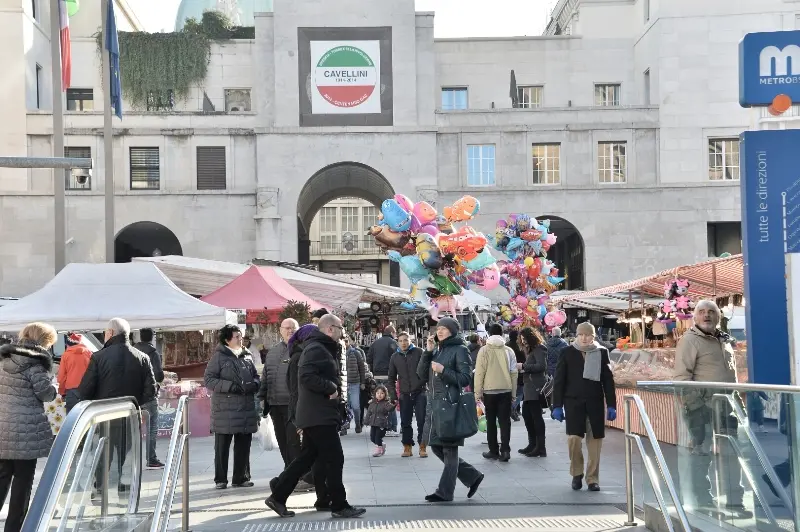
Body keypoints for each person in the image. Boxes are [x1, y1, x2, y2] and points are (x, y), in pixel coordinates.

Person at [266, 315, 366, 519]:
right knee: (335, 458)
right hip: (317, 414)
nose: (343, 332)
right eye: (340, 328)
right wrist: (331, 388)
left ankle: (278, 495)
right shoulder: (316, 349)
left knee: (306, 459)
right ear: (330, 329)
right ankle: (339, 505)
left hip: (318, 413)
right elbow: (305, 377)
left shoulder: (322, 347)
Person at [674, 300, 750, 517]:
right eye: (701, 312)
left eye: (711, 312)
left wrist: (738, 404)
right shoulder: (689, 340)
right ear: (694, 317)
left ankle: (735, 502)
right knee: (702, 455)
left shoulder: (724, 341)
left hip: (727, 407)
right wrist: (695, 408)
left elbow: (730, 376)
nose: (706, 316)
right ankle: (704, 502)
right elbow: (682, 377)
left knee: (731, 456)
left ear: (718, 317)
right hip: (702, 408)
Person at [79, 318, 157, 495]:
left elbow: (85, 390)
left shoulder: (98, 357)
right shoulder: (143, 358)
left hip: (105, 414)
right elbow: (151, 390)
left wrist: (97, 400)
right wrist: (135, 402)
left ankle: (100, 487)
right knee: (125, 452)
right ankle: (123, 483)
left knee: (103, 452)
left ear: (111, 333)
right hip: (131, 414)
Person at [418, 317, 484, 502]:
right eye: (438, 328)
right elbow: (421, 374)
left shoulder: (460, 350)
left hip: (450, 405)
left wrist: (443, 370)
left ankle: (445, 492)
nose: (440, 331)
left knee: (449, 449)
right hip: (435, 405)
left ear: (452, 331)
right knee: (437, 447)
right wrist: (428, 353)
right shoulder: (437, 350)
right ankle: (472, 476)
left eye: (444, 329)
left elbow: (464, 379)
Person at [0, 322, 58, 531]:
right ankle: (13, 528)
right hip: (26, 432)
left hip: (3, 428)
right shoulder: (35, 364)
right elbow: (46, 393)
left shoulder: (4, 359)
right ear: (44, 341)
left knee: (2, 477)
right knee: (22, 485)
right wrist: (52, 386)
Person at [551, 321, 616, 492]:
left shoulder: (602, 352)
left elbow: (608, 380)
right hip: (573, 402)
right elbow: (559, 381)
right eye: (581, 335)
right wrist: (556, 405)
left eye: (588, 335)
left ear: (593, 336)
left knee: (595, 442)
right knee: (574, 439)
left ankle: (592, 478)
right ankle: (576, 473)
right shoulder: (567, 352)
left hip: (594, 402)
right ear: (577, 336)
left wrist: (611, 404)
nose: (585, 338)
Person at [257, 318, 315, 492]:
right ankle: (291, 473)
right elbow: (266, 376)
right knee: (282, 442)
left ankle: (303, 476)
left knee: (294, 443)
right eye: (286, 328)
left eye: (293, 328)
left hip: (293, 405)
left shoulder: (302, 350)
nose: (290, 331)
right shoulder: (273, 352)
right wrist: (262, 397)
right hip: (275, 404)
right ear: (280, 330)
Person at [204, 324, 260, 490]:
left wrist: (255, 384)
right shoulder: (219, 357)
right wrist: (230, 386)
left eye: (240, 336)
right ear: (227, 339)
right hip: (224, 409)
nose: (240, 339)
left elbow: (255, 376)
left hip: (245, 407)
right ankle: (220, 479)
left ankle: (241, 477)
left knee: (243, 445)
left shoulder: (247, 355)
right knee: (222, 446)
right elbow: (209, 380)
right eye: (236, 336)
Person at [474, 324, 518, 462]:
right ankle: (505, 450)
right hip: (505, 390)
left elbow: (479, 373)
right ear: (501, 334)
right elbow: (514, 373)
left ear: (489, 334)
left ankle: (493, 450)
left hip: (489, 391)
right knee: (505, 422)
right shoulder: (509, 351)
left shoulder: (484, 350)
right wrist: (514, 393)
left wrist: (477, 392)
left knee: (491, 421)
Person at [388, 332, 427, 458]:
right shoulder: (394, 357)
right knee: (405, 422)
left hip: (420, 391)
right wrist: (393, 395)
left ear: (410, 340)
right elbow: (391, 378)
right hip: (404, 393)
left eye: (406, 340)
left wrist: (425, 384)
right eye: (401, 340)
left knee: (422, 421)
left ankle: (422, 446)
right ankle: (407, 446)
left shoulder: (419, 352)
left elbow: (427, 370)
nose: (404, 343)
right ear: (397, 342)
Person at [134, 328, 165, 469]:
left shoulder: (132, 351)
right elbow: (159, 375)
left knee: (134, 429)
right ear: (152, 337)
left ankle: (133, 460)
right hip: (149, 396)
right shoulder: (153, 353)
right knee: (151, 428)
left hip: (134, 397)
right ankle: (151, 458)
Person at [517, 327, 548, 457]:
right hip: (529, 387)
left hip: (536, 387)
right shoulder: (530, 350)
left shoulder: (539, 348)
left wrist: (524, 366)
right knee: (527, 415)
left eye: (524, 339)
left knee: (536, 417)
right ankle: (532, 444)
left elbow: (541, 366)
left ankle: (540, 447)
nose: (523, 341)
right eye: (521, 339)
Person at [367, 326, 399, 434]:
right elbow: (398, 357)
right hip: (389, 375)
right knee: (390, 401)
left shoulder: (375, 343)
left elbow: (368, 358)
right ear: (392, 332)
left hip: (377, 376)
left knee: (379, 402)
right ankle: (392, 427)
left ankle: (382, 426)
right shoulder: (393, 343)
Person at [57, 332, 92, 413]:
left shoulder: (66, 355)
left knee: (72, 420)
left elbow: (62, 377)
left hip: (72, 393)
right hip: (88, 391)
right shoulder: (89, 353)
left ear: (68, 344)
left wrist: (62, 392)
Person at [344, 335, 367, 434]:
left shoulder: (356, 353)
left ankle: (358, 424)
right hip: (343, 384)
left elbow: (362, 368)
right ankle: (344, 425)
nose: (345, 343)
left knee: (356, 406)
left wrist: (362, 382)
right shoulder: (337, 352)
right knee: (345, 407)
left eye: (346, 340)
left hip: (355, 383)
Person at [364, 384, 394, 457]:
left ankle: (379, 450)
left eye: (382, 393)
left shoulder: (386, 403)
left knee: (377, 437)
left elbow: (390, 408)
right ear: (375, 394)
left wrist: (393, 403)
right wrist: (366, 421)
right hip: (373, 423)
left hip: (381, 424)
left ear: (385, 394)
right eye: (378, 393)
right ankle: (382, 444)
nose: (379, 395)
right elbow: (369, 413)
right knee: (372, 437)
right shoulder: (372, 403)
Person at [507, 330, 524, 421]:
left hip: (507, 373)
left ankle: (514, 409)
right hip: (518, 372)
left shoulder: (506, 346)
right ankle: (512, 408)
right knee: (520, 393)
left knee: (513, 393)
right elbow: (522, 360)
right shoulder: (518, 348)